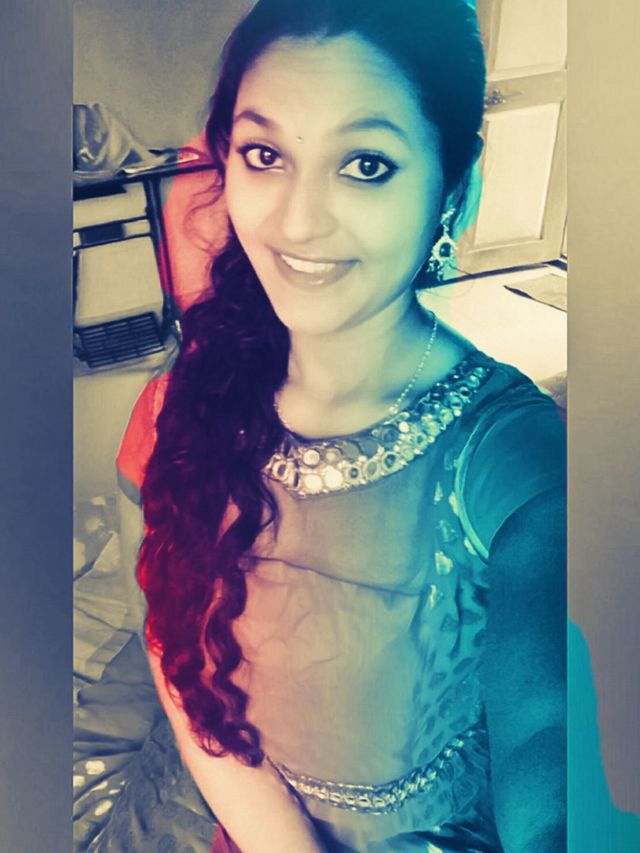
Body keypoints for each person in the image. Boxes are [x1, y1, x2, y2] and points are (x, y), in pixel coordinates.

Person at [115, 1, 567, 850]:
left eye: (365, 164)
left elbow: (552, 733)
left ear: (454, 189)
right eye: (265, 155)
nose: (297, 222)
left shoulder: (517, 460)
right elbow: (171, 642)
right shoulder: (185, 399)